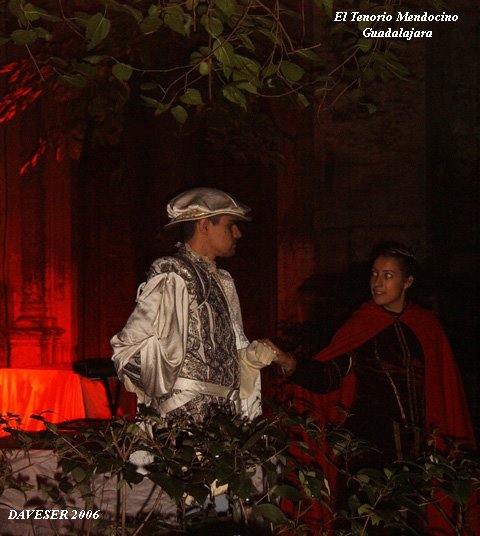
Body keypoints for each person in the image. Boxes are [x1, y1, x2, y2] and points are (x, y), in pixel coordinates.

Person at [266, 241, 477, 534]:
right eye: (374, 274)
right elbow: (329, 375)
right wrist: (291, 362)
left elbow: (445, 392)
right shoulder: (361, 325)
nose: (377, 282)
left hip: (420, 454)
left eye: (388, 276)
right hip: (369, 453)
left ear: (408, 282)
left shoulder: (428, 326)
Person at [111, 187, 276, 423]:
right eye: (231, 225)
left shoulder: (223, 281)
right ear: (205, 225)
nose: (238, 233)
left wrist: (247, 360)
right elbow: (128, 348)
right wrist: (165, 386)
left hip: (223, 418)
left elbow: (222, 352)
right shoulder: (174, 272)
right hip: (184, 420)